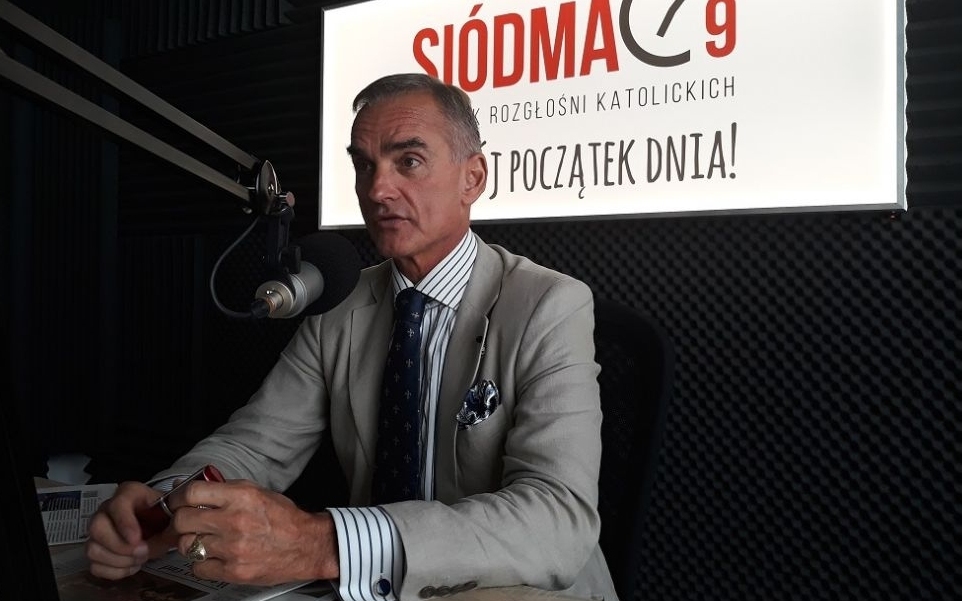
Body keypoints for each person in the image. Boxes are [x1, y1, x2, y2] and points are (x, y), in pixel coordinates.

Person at [85, 73, 617, 601]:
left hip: (518, 587)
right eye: (364, 165)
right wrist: (165, 506)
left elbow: (556, 518)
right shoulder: (339, 304)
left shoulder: (550, 305)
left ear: (472, 179)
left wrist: (323, 544)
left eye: (409, 161)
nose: (377, 190)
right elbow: (254, 445)